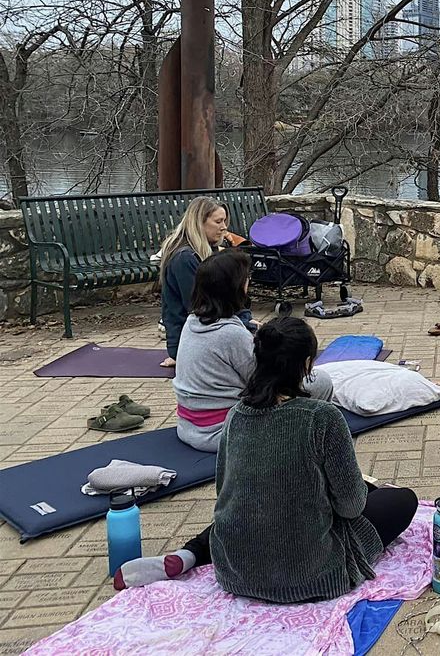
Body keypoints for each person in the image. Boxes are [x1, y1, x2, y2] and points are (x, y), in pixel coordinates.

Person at [116, 317, 418, 602]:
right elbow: (350, 506)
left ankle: (190, 554)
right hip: (312, 572)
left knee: (248, 509)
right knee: (401, 500)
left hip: (237, 572)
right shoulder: (323, 417)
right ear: (306, 365)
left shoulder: (235, 416)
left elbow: (226, 494)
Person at [173, 249, 333, 452]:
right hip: (222, 433)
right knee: (321, 382)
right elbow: (266, 382)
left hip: (188, 427)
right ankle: (306, 436)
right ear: (235, 287)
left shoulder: (192, 321)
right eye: (246, 278)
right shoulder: (231, 335)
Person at [159, 197, 232, 369]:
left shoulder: (208, 250)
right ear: (199, 223)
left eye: (224, 221)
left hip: (203, 330)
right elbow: (199, 307)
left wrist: (245, 320)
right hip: (190, 341)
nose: (224, 227)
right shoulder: (185, 258)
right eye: (218, 222)